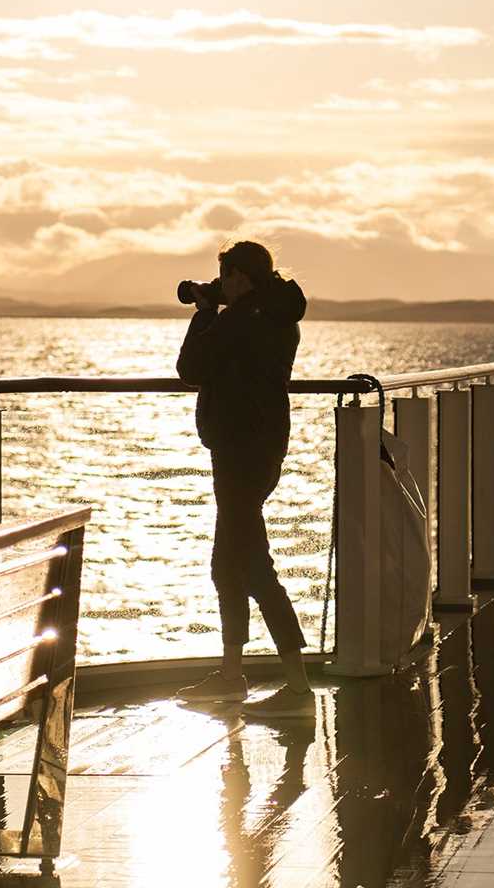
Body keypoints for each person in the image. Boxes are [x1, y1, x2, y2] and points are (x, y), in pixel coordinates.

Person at [174, 240, 313, 719]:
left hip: (237, 450)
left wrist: (204, 313)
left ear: (240, 277)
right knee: (227, 561)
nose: (221, 282)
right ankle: (232, 675)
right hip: (261, 446)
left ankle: (297, 689)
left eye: (225, 274)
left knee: (253, 566)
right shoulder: (279, 316)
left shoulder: (240, 318)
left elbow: (190, 368)